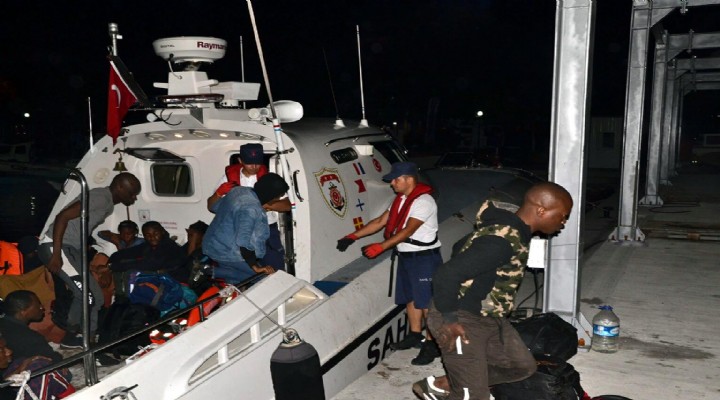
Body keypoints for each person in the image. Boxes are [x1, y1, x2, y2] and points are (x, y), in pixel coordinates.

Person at [412, 182, 573, 400]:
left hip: (489, 316)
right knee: (474, 396)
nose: (563, 222)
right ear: (542, 210)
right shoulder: (502, 240)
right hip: (460, 319)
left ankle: (447, 384)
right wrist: (449, 319)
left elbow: (460, 246)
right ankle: (465, 386)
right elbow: (446, 274)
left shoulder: (515, 231)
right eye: (562, 216)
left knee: (520, 366)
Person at [336, 161, 442, 365]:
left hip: (424, 258)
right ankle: (415, 334)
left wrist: (381, 247)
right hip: (406, 256)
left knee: (427, 303)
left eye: (395, 179)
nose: (392, 183)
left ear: (409, 179)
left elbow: (408, 231)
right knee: (411, 298)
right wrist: (352, 236)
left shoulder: (424, 202)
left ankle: (432, 345)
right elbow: (379, 222)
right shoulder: (400, 200)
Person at [37, 172, 141, 349]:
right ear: (120, 187)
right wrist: (56, 254)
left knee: (96, 297)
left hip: (71, 249)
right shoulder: (101, 197)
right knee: (88, 296)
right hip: (57, 246)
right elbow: (62, 216)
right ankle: (85, 339)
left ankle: (74, 335)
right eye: (132, 193)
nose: (134, 198)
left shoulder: (108, 204)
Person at [207, 143, 291, 271]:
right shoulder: (229, 178)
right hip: (240, 229)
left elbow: (287, 205)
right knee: (246, 270)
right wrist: (218, 193)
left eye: (257, 163)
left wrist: (265, 206)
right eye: (249, 163)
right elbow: (211, 207)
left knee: (275, 266)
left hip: (267, 229)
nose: (254, 167)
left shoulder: (269, 178)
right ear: (240, 160)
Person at [203, 173, 289, 284]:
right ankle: (207, 271)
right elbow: (243, 241)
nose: (277, 199)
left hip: (214, 245)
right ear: (270, 195)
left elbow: (216, 207)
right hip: (229, 252)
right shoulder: (251, 209)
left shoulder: (239, 191)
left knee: (236, 282)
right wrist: (256, 267)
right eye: (277, 197)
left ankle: (210, 271)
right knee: (265, 280)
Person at [107, 221, 186, 298]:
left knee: (130, 272)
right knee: (124, 263)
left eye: (156, 234)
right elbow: (122, 254)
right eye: (148, 235)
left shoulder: (168, 246)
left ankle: (126, 298)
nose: (152, 237)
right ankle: (121, 297)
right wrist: (108, 265)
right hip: (159, 277)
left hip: (173, 281)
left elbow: (150, 264)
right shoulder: (148, 245)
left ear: (162, 232)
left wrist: (112, 266)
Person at [0, 290, 62, 363]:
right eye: (38, 305)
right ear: (23, 311)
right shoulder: (30, 338)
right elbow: (54, 360)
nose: (42, 307)